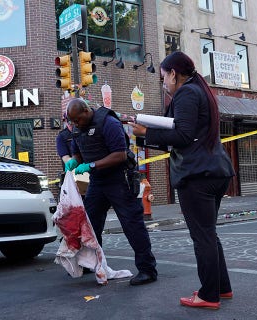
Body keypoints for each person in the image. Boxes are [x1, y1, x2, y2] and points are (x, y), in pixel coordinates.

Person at [129, 51, 235, 309]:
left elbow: (184, 136)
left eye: (164, 77)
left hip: (197, 175)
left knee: (202, 236)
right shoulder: (199, 90)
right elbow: (187, 134)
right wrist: (148, 135)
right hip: (214, 171)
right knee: (208, 233)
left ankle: (208, 295)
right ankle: (221, 287)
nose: (163, 82)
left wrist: (145, 132)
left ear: (173, 74)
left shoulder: (187, 92)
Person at [65, 98, 158, 286]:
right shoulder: (77, 128)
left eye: (78, 120)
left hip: (118, 179)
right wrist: (75, 160)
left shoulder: (109, 123)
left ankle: (147, 269)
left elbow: (120, 154)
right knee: (90, 225)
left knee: (132, 224)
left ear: (86, 111)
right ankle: (91, 264)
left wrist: (91, 164)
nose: (75, 124)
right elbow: (78, 152)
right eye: (72, 121)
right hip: (97, 181)